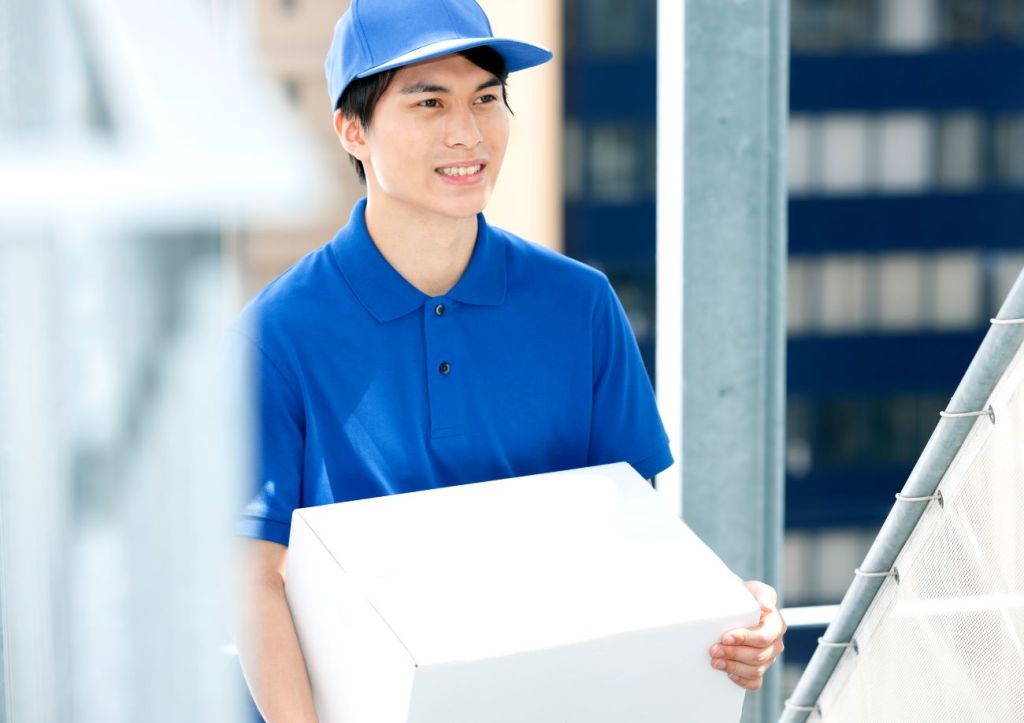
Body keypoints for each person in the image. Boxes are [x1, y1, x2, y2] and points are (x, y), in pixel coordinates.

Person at [231, 0, 786, 719]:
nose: (468, 133)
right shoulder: (273, 336)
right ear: (352, 128)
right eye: (429, 102)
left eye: (486, 98)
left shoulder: (581, 306)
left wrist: (729, 615)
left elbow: (633, 544)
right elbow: (253, 580)